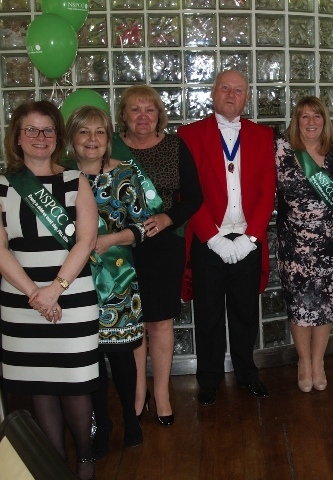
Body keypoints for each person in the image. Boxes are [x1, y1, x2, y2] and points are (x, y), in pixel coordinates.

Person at [0, 100, 99, 480]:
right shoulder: (4, 186)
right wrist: (34, 294)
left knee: (74, 384)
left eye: (47, 130)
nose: (40, 137)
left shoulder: (76, 181)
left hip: (70, 296)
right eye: (31, 130)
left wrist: (54, 290)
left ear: (57, 138)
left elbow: (86, 241)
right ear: (18, 138)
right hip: (21, 299)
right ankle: (54, 465)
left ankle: (86, 458)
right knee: (39, 384)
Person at [177, 69, 276, 406]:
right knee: (207, 314)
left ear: (246, 97)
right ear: (213, 93)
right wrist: (213, 238)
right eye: (225, 88)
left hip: (248, 241)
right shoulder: (188, 135)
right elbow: (187, 194)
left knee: (246, 313)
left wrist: (251, 238)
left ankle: (248, 373)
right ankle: (209, 379)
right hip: (209, 243)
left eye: (239, 90)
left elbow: (267, 192)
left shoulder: (263, 136)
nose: (231, 95)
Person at [115, 85, 202, 426]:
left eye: (149, 110)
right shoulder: (113, 147)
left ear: (158, 115)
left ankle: (162, 392)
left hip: (165, 244)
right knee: (134, 321)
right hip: (123, 247)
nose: (142, 116)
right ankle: (139, 393)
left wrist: (168, 217)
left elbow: (194, 197)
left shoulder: (174, 146)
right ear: (124, 115)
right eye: (135, 110)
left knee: (161, 321)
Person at [67, 106, 150, 458]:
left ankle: (132, 420)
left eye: (100, 132)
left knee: (120, 355)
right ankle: (102, 422)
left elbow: (146, 225)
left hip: (117, 283)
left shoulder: (127, 173)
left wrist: (110, 240)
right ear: (72, 139)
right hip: (74, 282)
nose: (92, 140)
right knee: (90, 359)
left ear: (109, 137)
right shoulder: (60, 179)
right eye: (84, 132)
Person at [275, 96, 333, 392]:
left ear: (325, 121)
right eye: (304, 117)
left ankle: (319, 361)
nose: (311, 122)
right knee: (300, 305)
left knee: (326, 303)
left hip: (329, 241)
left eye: (317, 116)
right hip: (293, 243)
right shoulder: (281, 150)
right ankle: (304, 361)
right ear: (296, 121)